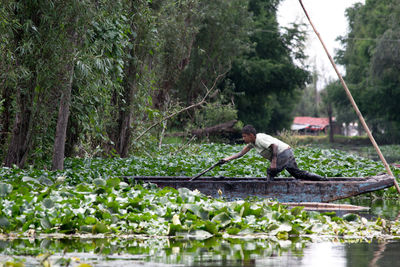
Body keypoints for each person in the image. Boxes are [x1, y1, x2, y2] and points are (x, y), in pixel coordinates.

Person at [221, 125, 327, 181]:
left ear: (251, 135)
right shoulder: (252, 143)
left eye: (245, 136)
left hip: (283, 153)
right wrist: (227, 159)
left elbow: (274, 146)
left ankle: (268, 189)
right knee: (297, 174)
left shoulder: (260, 138)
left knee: (271, 171)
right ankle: (321, 179)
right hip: (287, 151)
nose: (244, 139)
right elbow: (241, 153)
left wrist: (274, 162)